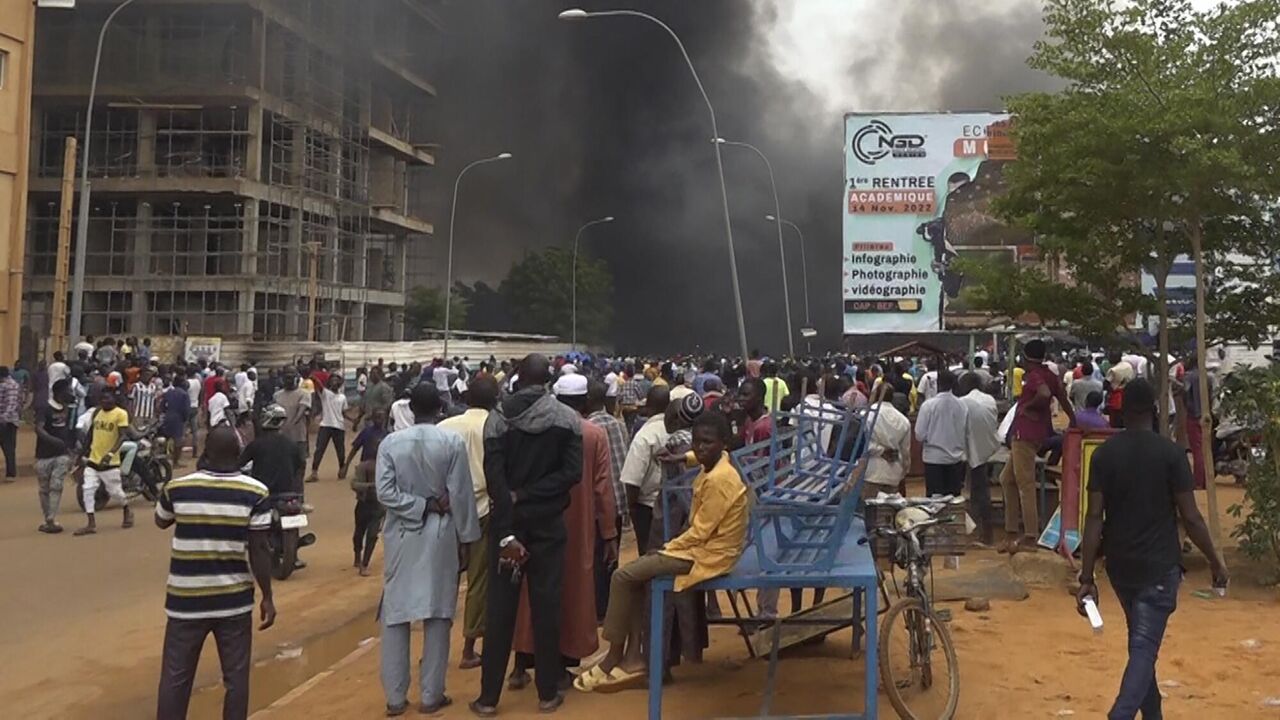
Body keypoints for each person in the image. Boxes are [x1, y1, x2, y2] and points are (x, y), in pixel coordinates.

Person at [1076, 379, 1227, 720]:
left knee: (1140, 643)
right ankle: (1121, 714)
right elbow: (1191, 517)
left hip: (1120, 567)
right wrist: (1216, 562)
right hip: (1159, 568)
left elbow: (1093, 518)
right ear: (1155, 411)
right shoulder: (1171, 455)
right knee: (1144, 648)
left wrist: (1086, 577)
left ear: (1121, 411)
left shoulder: (1103, 455)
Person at [573, 412, 750, 693]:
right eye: (696, 442)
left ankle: (614, 657)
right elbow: (702, 460)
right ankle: (633, 657)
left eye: (707, 443)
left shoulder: (720, 480)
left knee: (622, 576)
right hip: (704, 548)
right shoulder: (718, 465)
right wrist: (685, 458)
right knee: (636, 578)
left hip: (707, 555)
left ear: (723, 443)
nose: (700, 448)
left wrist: (668, 547)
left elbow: (700, 532)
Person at [472, 355, 584, 716]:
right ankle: (547, 693)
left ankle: (488, 699)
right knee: (546, 607)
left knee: (501, 611)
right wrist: (534, 494)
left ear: (518, 378)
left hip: (508, 527)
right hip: (549, 526)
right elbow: (572, 475)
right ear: (548, 380)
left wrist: (506, 527)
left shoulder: (497, 419)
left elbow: (495, 481)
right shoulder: (567, 420)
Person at [506, 374, 619, 692]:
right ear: (586, 402)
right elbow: (602, 489)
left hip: (534, 518)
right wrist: (608, 532)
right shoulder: (594, 434)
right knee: (570, 590)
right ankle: (556, 667)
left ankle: (519, 665)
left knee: (529, 588)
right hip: (576, 526)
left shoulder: (536, 427)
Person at [154, 426, 276, 720]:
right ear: (238, 453)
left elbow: (161, 521)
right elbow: (259, 550)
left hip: (185, 601)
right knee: (236, 679)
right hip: (233, 602)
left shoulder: (178, 487)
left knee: (175, 679)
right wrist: (268, 597)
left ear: (206, 452)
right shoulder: (256, 492)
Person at [377, 384, 481, 715]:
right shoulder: (450, 442)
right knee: (438, 614)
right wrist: (467, 538)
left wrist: (418, 506)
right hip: (440, 535)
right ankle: (431, 694)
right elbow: (462, 494)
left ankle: (395, 699)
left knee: (395, 615)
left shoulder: (390, 444)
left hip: (401, 535)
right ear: (439, 409)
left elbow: (385, 493)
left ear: (409, 410)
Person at [437, 375, 500, 670]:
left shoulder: (444, 427)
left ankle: (436, 650)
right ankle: (468, 648)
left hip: (446, 511)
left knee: (443, 580)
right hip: (483, 509)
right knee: (479, 580)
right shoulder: (496, 427)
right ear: (495, 399)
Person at [999, 339, 1074, 553]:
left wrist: (1028, 407)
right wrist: (1073, 420)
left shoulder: (1034, 376)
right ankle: (1011, 532)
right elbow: (1062, 397)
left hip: (1025, 433)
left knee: (1025, 485)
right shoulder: (1051, 374)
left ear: (1025, 356)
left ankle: (1030, 536)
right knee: (1007, 479)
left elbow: (1043, 394)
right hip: (1039, 433)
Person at [585, 379, 630, 617]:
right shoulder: (617, 423)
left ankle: (599, 610)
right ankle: (611, 607)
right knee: (611, 556)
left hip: (597, 501)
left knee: (593, 557)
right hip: (618, 499)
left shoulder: (587, 427)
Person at [618, 385, 671, 555]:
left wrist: (631, 509)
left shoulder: (644, 436)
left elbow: (632, 479)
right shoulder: (677, 429)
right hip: (675, 504)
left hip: (647, 508)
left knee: (647, 555)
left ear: (647, 407)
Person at [75, 389, 136, 535]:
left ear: (114, 399)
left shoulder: (121, 414)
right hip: (93, 459)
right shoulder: (97, 412)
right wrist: (82, 454)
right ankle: (91, 523)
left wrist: (110, 454)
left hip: (110, 462)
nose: (104, 401)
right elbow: (91, 434)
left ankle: (127, 509)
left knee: (115, 492)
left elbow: (122, 436)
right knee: (87, 490)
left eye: (107, 399)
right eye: (102, 399)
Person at [957, 373, 998, 544]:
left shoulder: (962, 403)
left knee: (977, 492)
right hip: (990, 449)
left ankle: (985, 533)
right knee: (979, 489)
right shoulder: (990, 400)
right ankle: (980, 530)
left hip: (969, 450)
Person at [347, 409, 388, 577]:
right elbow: (354, 484)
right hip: (364, 503)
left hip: (378, 505)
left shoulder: (386, 467)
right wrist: (369, 486)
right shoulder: (364, 467)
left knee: (372, 535)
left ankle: (364, 563)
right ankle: (358, 555)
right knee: (359, 533)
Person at [915, 370, 968, 497]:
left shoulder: (928, 406)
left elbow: (919, 435)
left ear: (937, 384)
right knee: (954, 501)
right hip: (955, 460)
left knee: (935, 502)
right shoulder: (962, 405)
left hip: (933, 460)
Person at [35, 379, 79, 533]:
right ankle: (48, 517)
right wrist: (56, 441)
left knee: (56, 486)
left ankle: (51, 518)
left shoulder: (69, 408)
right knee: (44, 489)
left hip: (62, 455)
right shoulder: (45, 408)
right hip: (44, 454)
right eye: (68, 390)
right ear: (59, 392)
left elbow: (71, 430)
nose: (70, 393)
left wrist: (71, 447)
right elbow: (39, 429)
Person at [862, 385, 912, 497]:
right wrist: (903, 472)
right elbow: (905, 452)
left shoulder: (866, 415)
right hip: (893, 473)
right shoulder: (903, 420)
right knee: (888, 511)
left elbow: (862, 444)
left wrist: (880, 450)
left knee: (869, 510)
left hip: (871, 472)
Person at [309, 374, 349, 483]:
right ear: (329, 383)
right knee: (319, 449)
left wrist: (353, 420)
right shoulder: (325, 393)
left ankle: (341, 469)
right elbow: (319, 385)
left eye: (337, 380)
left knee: (340, 451)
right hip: (325, 425)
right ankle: (314, 472)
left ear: (340, 383)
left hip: (339, 426)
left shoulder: (342, 397)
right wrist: (314, 378)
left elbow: (343, 412)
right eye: (332, 380)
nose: (334, 382)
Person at [274, 367, 312, 471]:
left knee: (300, 463)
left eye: (291, 377)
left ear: (296, 378)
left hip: (299, 436)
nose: (288, 380)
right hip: (281, 437)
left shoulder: (304, 394)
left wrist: (291, 424)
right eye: (286, 377)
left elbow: (301, 411)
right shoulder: (277, 395)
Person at [1183, 356, 1211, 490]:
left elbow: (1186, 395)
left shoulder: (1189, 377)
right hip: (1206, 416)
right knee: (1206, 448)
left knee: (1197, 450)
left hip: (1193, 416)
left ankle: (1199, 480)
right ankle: (1207, 479)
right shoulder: (1208, 377)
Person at [158, 377, 192, 469]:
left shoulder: (168, 392)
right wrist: (185, 419)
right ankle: (175, 462)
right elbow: (186, 409)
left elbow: (162, 406)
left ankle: (162, 461)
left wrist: (166, 412)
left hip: (168, 417)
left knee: (166, 438)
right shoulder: (184, 394)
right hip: (178, 418)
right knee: (178, 441)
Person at [0, 367, 21, 481]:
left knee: (8, 448)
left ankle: (11, 473)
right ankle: (10, 473)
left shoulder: (10, 385)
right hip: (5, 420)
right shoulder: (5, 384)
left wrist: (3, 418)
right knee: (9, 448)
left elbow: (11, 404)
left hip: (7, 422)